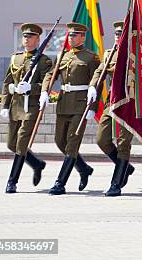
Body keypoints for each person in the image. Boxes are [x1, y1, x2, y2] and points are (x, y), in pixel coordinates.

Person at [41, 22, 100, 195]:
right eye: (70, 35)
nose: (71, 38)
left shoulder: (91, 57)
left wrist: (93, 107)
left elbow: (97, 83)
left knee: (72, 143)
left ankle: (60, 183)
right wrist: (45, 91)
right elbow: (50, 75)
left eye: (75, 35)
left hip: (81, 105)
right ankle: (83, 168)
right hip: (64, 103)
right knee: (60, 142)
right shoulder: (62, 56)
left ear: (83, 37)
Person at [0, 23, 53, 193]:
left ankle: (12, 181)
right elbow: (8, 82)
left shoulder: (44, 60)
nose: (26, 39)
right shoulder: (15, 57)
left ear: (38, 39)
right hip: (16, 105)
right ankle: (37, 164)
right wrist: (5, 105)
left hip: (31, 106)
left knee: (22, 142)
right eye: (24, 36)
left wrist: (32, 88)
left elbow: (47, 82)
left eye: (30, 36)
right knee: (11, 144)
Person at [91, 21, 135, 197]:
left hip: (129, 103)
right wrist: (93, 87)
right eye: (116, 33)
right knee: (102, 139)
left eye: (121, 33)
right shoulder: (110, 54)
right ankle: (125, 167)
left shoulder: (135, 55)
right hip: (112, 102)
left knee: (123, 143)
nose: (118, 36)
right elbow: (98, 72)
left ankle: (116, 183)